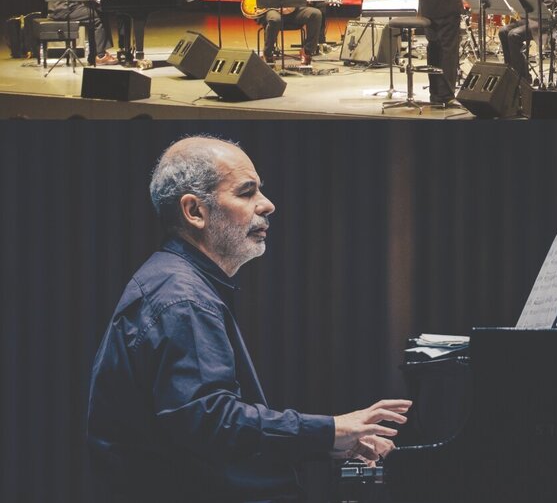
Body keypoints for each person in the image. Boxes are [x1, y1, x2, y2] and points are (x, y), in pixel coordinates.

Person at [87, 135, 411, 503]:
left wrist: (324, 446)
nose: (268, 205)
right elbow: (212, 423)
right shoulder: (182, 298)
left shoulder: (179, 283)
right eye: (246, 192)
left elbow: (202, 435)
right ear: (195, 211)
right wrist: (330, 431)